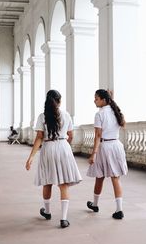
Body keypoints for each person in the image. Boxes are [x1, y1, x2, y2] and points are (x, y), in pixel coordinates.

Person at [25, 90, 82, 228]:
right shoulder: (66, 115)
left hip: (48, 148)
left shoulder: (42, 116)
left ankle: (48, 212)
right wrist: (65, 147)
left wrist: (31, 157)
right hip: (63, 146)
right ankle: (63, 219)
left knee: (47, 182)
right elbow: (71, 135)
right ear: (59, 101)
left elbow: (39, 137)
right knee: (63, 184)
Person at [87, 89, 128, 219]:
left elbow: (98, 135)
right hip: (116, 145)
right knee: (115, 178)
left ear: (103, 100)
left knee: (99, 177)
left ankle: (95, 204)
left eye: (96, 98)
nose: (94, 100)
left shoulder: (99, 114)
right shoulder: (116, 111)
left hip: (104, 147)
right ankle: (119, 209)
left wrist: (93, 153)